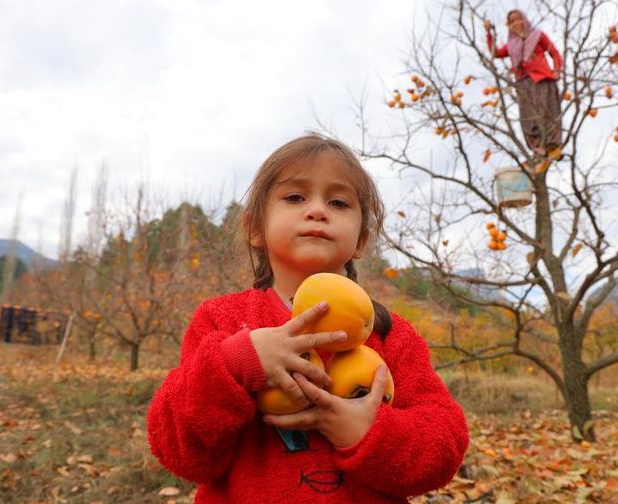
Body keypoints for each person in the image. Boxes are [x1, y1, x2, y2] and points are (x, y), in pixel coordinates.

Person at [147, 134, 470, 503]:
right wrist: (237, 363)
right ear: (255, 228)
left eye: (338, 202)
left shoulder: (389, 334)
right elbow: (179, 450)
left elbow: (444, 444)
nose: (318, 210)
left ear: (361, 239)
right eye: (295, 197)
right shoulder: (224, 320)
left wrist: (371, 431)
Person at [485, 10, 563, 159]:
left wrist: (557, 70)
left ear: (524, 20)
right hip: (523, 83)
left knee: (547, 111)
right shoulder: (511, 45)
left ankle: (553, 145)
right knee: (527, 118)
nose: (515, 23)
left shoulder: (537, 35)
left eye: (518, 19)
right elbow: (495, 53)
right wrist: (489, 34)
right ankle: (538, 148)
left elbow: (554, 52)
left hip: (541, 79)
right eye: (511, 21)